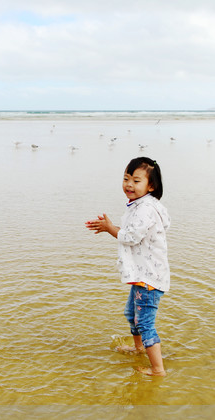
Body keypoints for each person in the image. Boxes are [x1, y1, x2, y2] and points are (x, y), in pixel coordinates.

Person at [85, 156, 171, 376]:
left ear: (151, 186)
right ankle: (139, 348)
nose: (129, 185)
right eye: (126, 179)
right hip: (142, 275)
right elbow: (134, 231)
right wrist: (111, 226)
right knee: (131, 313)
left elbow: (131, 237)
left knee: (144, 322)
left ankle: (157, 369)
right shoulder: (141, 205)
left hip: (149, 279)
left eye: (136, 180)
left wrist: (109, 228)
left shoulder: (146, 209)